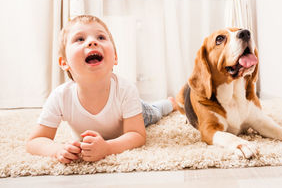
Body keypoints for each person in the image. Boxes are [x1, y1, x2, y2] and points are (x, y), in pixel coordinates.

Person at [26, 15, 177, 163]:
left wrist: (107, 148)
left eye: (100, 37)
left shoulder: (125, 89)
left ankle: (170, 103)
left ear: (115, 57)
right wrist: (57, 150)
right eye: (80, 39)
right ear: (64, 62)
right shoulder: (60, 96)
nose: (92, 42)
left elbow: (137, 135)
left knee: (155, 112)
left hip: (137, 112)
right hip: (120, 110)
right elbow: (35, 141)